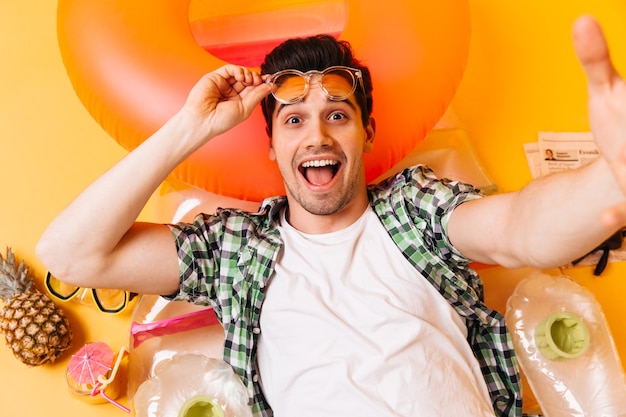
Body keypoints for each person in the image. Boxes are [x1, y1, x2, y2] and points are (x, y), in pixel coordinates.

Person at [37, 15, 626, 417]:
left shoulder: (415, 208)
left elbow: (523, 230)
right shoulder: (236, 250)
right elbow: (71, 254)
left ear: (366, 132)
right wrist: (192, 128)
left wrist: (612, 173)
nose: (316, 134)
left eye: (337, 115)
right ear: (270, 145)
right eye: (293, 119)